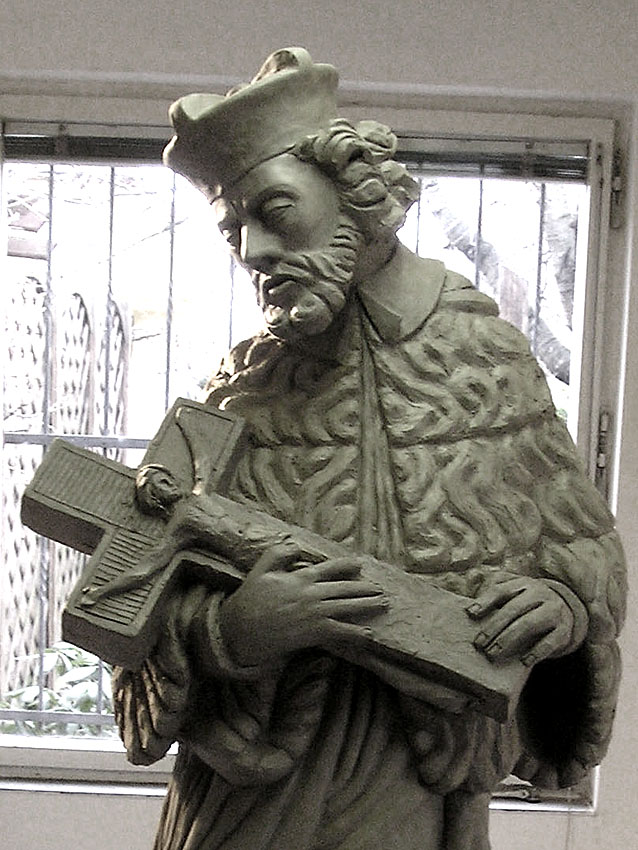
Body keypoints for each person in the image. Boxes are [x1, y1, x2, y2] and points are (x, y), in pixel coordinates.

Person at [112, 48, 626, 850]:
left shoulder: (485, 360)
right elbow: (136, 584)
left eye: (275, 210)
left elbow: (582, 549)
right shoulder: (241, 391)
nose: (253, 250)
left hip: (411, 784)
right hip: (250, 794)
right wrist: (234, 630)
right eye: (233, 229)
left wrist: (561, 606)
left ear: (357, 197)